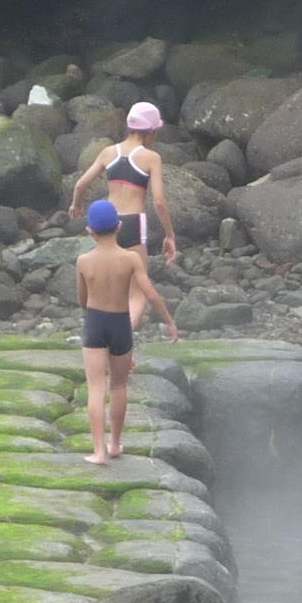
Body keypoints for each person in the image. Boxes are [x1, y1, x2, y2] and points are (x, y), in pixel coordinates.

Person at [76, 199, 178, 465]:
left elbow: (82, 299)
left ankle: (98, 451)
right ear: (119, 227)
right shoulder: (131, 258)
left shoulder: (84, 261)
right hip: (121, 324)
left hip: (95, 323)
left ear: (89, 231)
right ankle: (115, 443)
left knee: (96, 388)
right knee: (119, 386)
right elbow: (150, 294)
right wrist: (169, 321)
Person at [68, 101, 177, 331]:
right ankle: (120, 340)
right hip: (133, 223)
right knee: (137, 293)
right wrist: (170, 235)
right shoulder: (151, 157)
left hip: (108, 222)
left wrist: (77, 205)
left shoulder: (108, 152)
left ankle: (104, 334)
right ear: (151, 131)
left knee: (111, 286)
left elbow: (80, 184)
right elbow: (159, 201)